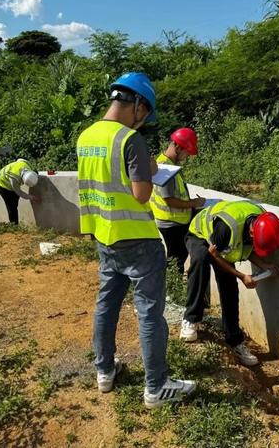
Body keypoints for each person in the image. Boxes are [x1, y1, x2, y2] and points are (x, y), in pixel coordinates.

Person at [77, 72, 196, 408]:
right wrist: (147, 169)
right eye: (145, 114)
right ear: (139, 104)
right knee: (149, 313)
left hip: (104, 235)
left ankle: (104, 371)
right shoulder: (130, 140)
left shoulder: (86, 137)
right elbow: (142, 194)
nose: (144, 121)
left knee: (107, 304)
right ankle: (156, 387)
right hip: (138, 241)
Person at [180, 200, 279, 366]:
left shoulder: (263, 221)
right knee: (200, 262)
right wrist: (242, 275)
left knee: (229, 288)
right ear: (252, 232)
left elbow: (247, 248)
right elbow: (214, 254)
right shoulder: (228, 227)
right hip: (199, 234)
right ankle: (191, 319)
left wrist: (264, 265)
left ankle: (234, 340)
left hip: (221, 243)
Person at [150, 127, 205, 271]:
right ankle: (170, 292)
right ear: (178, 147)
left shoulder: (163, 162)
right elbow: (169, 199)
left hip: (171, 220)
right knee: (176, 262)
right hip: (172, 222)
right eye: (187, 153)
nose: (186, 157)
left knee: (176, 259)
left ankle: (170, 289)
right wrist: (193, 203)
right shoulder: (166, 168)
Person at [0, 158, 41, 224]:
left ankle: (14, 223)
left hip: (12, 181)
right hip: (2, 184)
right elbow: (19, 193)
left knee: (15, 202)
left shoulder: (27, 165)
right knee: (11, 205)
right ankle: (14, 225)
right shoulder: (14, 178)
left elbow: (19, 160)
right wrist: (32, 198)